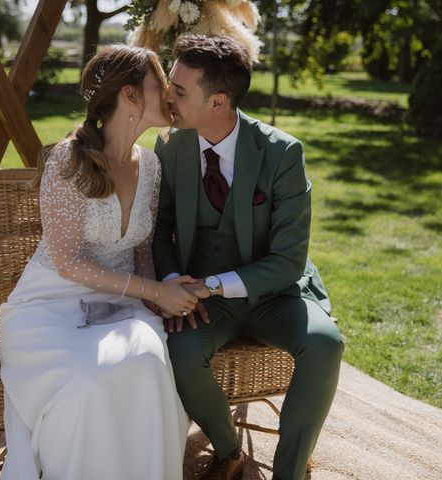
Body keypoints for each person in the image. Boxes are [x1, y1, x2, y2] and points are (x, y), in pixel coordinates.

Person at [153, 34, 344, 480]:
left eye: (179, 90)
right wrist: (174, 280)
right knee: (181, 350)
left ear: (218, 101)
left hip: (275, 294)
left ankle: (290, 471)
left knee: (325, 344)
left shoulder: (282, 154)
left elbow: (289, 261)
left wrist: (216, 284)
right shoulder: (170, 146)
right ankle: (228, 451)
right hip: (202, 299)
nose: (168, 97)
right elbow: (160, 228)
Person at [0, 45, 193, 480]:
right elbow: (67, 262)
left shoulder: (152, 166)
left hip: (123, 304)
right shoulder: (68, 161)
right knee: (86, 380)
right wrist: (154, 291)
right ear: (130, 95)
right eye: (159, 81)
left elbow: (140, 251)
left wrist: (160, 297)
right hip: (51, 304)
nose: (168, 92)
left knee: (148, 363)